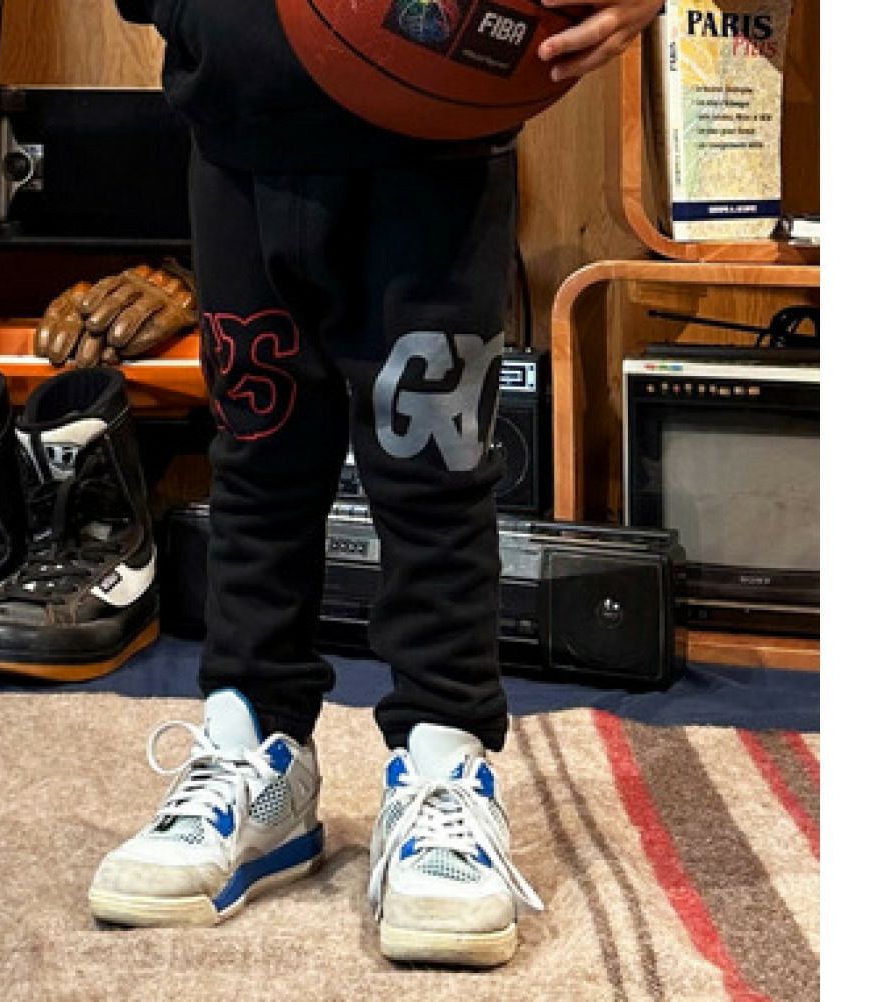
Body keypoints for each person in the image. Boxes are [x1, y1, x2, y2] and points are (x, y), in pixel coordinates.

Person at [88, 0, 662, 967]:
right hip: (238, 118)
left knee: (437, 471)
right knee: (256, 457)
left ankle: (443, 761)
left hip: (440, 130)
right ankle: (256, 753)